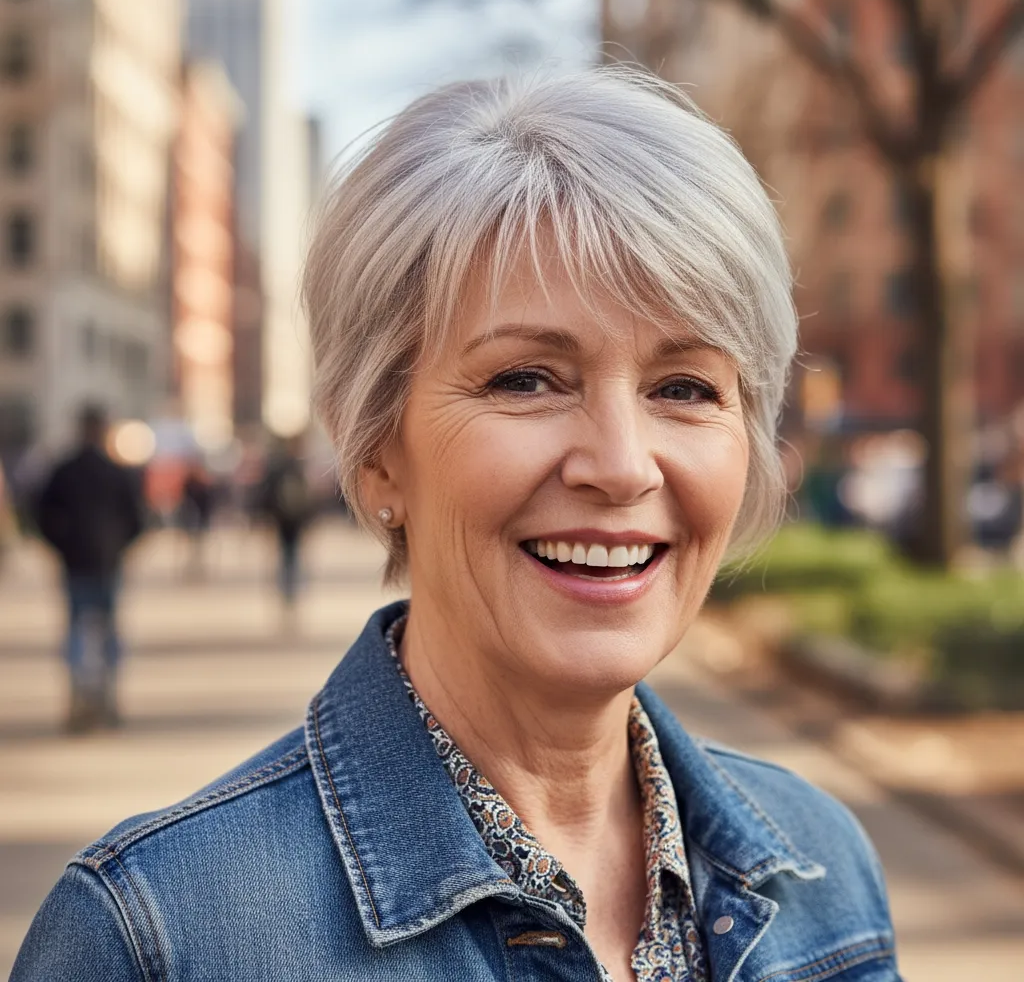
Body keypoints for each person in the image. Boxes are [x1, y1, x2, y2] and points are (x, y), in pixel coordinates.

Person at [14, 70, 902, 980]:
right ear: (375, 448)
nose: (622, 464)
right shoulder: (160, 937)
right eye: (526, 380)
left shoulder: (822, 869)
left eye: (684, 388)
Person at [32, 404, 144, 732]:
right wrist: (116, 546)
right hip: (102, 562)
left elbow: (41, 516)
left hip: (81, 561)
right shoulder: (113, 471)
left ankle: (84, 697)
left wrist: (63, 545)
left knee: (81, 631)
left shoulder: (65, 470)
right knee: (104, 631)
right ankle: (103, 698)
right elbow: (137, 520)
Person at [259, 433, 312, 606]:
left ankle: (287, 587)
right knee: (291, 553)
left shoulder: (278, 467)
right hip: (291, 519)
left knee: (286, 553)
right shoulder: (297, 468)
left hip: (284, 519)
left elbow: (266, 495)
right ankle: (290, 587)